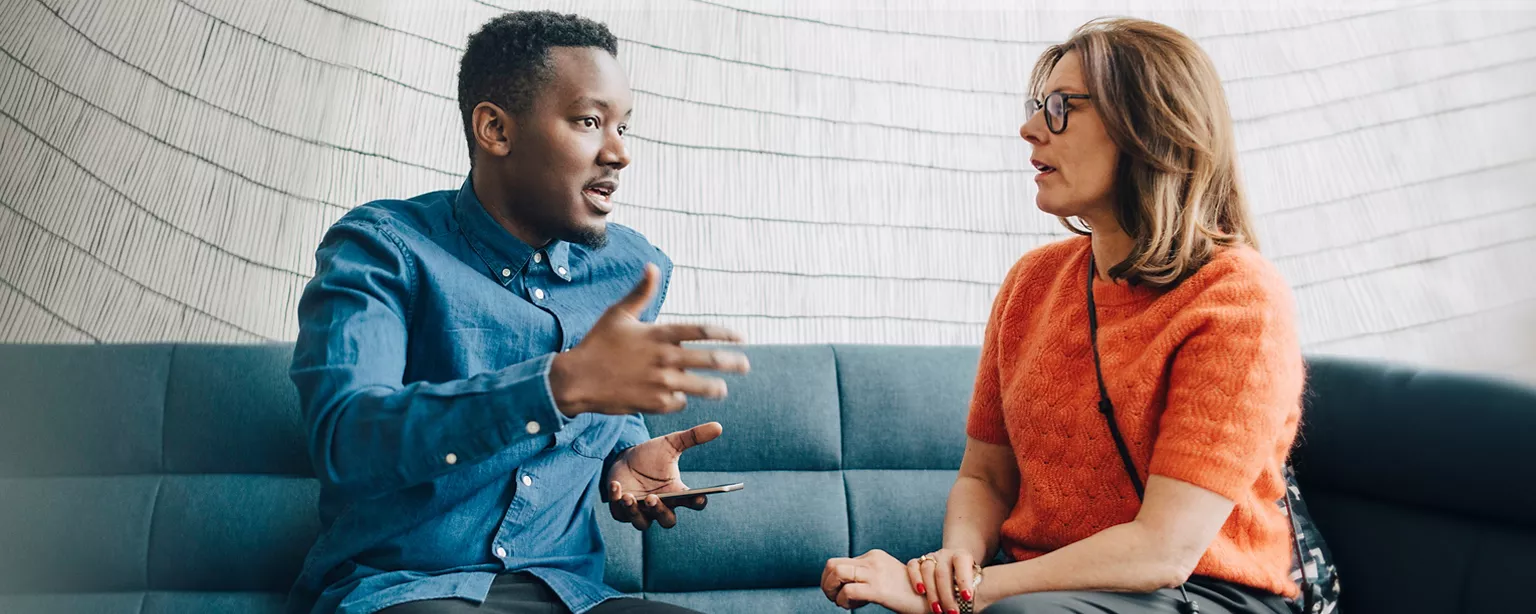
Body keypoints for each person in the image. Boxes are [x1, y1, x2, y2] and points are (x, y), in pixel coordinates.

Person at [823, 17, 1305, 614]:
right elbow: (986, 480)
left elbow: (1164, 550)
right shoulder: (1033, 281)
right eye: (1036, 105)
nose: (1029, 130)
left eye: (1060, 107)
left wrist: (960, 598)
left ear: (1149, 128)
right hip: (1043, 590)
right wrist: (956, 563)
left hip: (1204, 591)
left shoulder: (1238, 297)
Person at [286, 11, 749, 614]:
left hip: (571, 596)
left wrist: (626, 458)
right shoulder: (382, 247)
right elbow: (347, 441)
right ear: (495, 130)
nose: (619, 153)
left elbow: (609, 411)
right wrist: (557, 385)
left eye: (623, 126)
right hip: (405, 591)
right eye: (589, 121)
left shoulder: (632, 270)